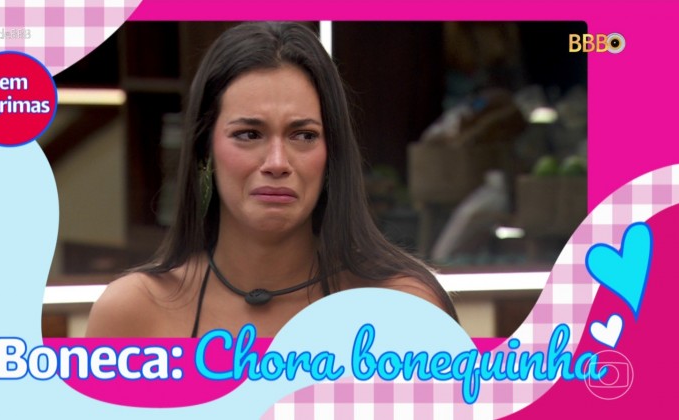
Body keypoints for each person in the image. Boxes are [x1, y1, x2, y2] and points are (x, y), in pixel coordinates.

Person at [86, 22, 457, 338]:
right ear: (204, 150)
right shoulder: (131, 313)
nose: (277, 163)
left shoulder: (405, 308)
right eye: (249, 134)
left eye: (304, 135)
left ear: (332, 153)